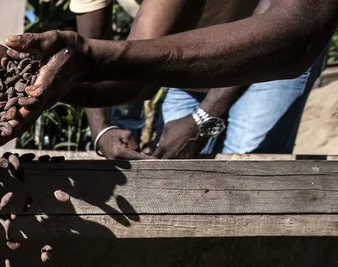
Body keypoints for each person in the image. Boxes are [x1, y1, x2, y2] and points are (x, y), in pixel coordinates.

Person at [0, 0, 338, 152]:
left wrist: (205, 116)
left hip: (268, 50)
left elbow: (297, 35)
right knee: (183, 176)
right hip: (183, 58)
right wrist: (29, 78)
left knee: (245, 166)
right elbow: (114, 62)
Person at [71, 0, 326, 159]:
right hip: (187, 52)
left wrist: (203, 117)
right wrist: (101, 130)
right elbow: (88, 55)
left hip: (277, 46)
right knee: (175, 169)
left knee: (246, 163)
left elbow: (281, 22)